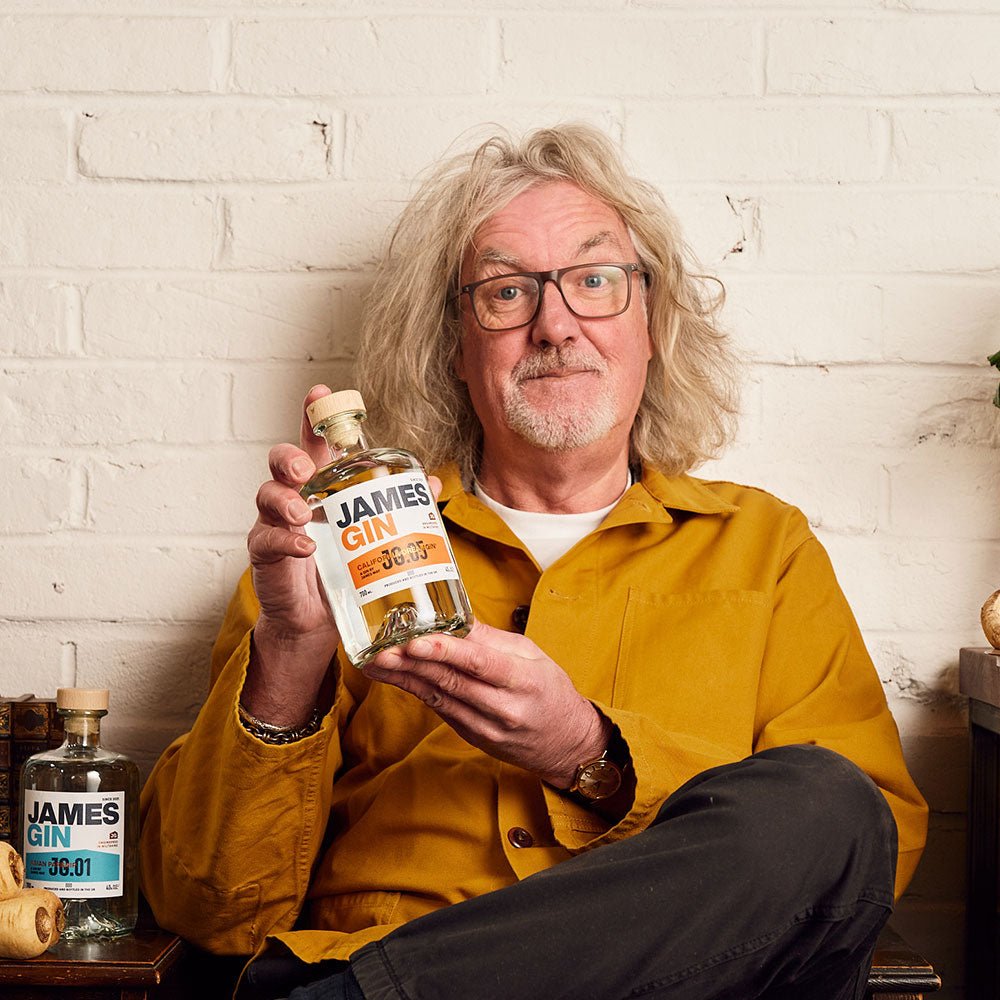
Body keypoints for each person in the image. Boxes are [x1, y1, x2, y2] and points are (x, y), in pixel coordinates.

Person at [139, 124, 928, 1000]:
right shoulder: (342, 546)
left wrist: (592, 754)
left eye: (596, 281)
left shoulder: (766, 548)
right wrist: (290, 655)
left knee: (833, 805)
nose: (556, 325)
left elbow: (857, 861)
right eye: (507, 293)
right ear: (453, 346)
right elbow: (207, 907)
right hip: (366, 958)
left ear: (653, 324)